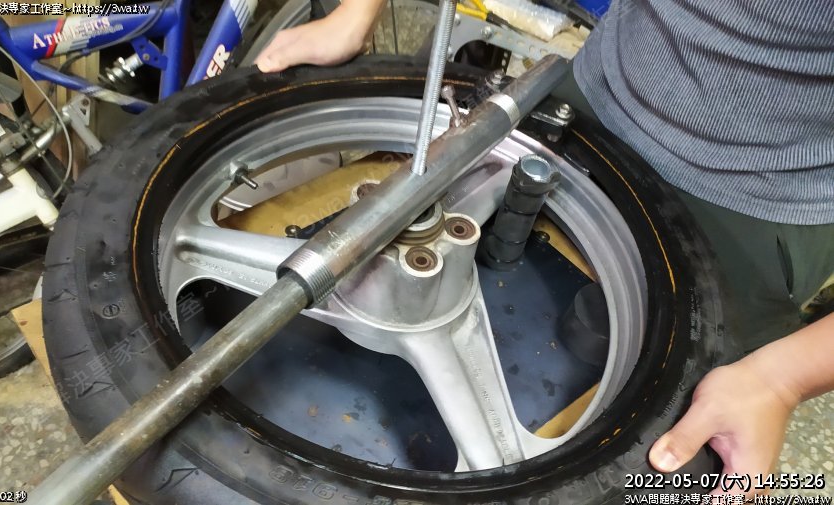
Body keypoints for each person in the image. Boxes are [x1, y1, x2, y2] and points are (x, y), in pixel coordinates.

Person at [255, 0, 834, 492]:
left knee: (671, 469)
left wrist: (781, 381)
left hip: (762, 202)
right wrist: (357, 13)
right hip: (598, 87)